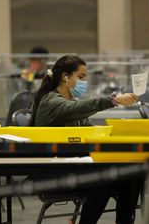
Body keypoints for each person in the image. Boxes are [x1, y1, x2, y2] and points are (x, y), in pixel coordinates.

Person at [30, 55, 141, 224]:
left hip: (73, 165)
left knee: (131, 176)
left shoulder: (71, 102)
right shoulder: (51, 102)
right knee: (103, 180)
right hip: (52, 171)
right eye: (80, 77)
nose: (84, 81)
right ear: (65, 77)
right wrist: (112, 100)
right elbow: (75, 108)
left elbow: (88, 131)